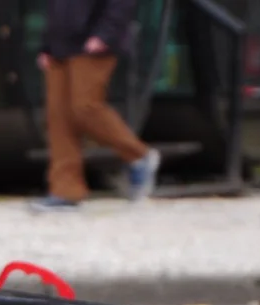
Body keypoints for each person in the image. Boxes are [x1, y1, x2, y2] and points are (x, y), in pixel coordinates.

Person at [31, 0, 162, 213]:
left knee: (85, 107)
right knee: (58, 118)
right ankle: (65, 191)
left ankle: (139, 155)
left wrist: (105, 34)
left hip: (93, 42)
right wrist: (46, 44)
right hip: (59, 45)